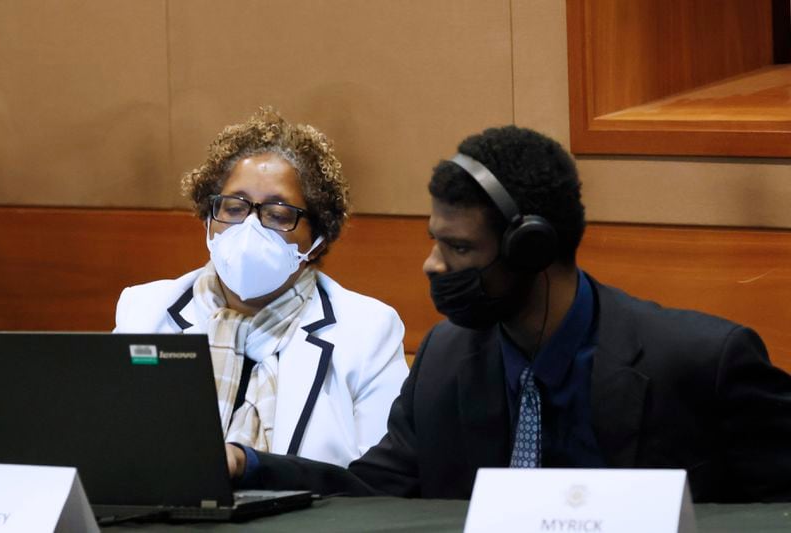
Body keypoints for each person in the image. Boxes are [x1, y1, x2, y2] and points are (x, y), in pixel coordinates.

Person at [226, 125, 791, 503]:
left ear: (533, 250)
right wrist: (248, 467)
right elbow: (370, 494)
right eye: (435, 241)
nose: (432, 265)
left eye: (460, 249)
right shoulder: (445, 359)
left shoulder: (702, 363)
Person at [114, 108, 409, 468]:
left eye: (278, 214)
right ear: (208, 217)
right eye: (234, 208)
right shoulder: (145, 309)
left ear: (317, 236)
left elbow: (378, 484)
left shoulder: (367, 330)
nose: (250, 227)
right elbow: (113, 447)